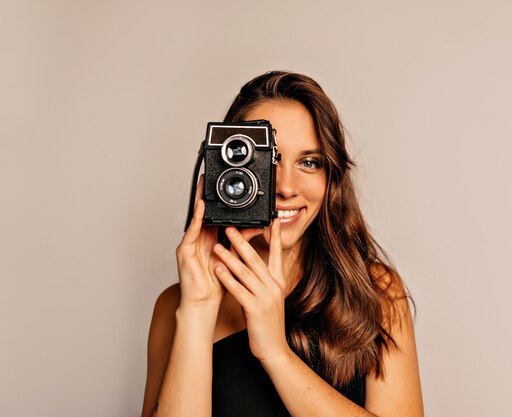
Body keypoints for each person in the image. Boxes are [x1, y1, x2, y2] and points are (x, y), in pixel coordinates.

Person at [141, 71, 424, 417]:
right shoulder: (176, 305)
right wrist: (199, 309)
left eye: (309, 162)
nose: (287, 187)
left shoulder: (376, 294)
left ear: (331, 176)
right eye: (269, 161)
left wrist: (276, 352)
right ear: (225, 165)